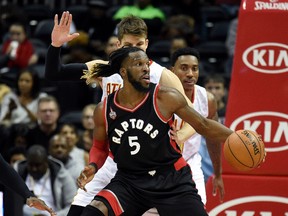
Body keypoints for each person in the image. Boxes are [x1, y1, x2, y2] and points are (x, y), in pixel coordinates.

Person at [45, 12, 197, 215]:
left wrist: (181, 136)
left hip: (154, 169)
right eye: (128, 45)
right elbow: (55, 73)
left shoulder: (162, 75)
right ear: (118, 45)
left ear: (147, 44)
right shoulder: (103, 70)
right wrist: (56, 46)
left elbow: (195, 119)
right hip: (112, 161)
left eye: (139, 44)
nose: (134, 50)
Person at [77, 46, 233, 215]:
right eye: (138, 64)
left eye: (146, 64)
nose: (145, 68)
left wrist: (235, 135)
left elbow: (204, 125)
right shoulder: (104, 109)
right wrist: (93, 165)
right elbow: (99, 147)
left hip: (171, 180)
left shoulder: (165, 97)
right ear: (123, 72)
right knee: (94, 212)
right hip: (130, 181)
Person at [170, 47, 224, 204]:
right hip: (160, 165)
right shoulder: (159, 96)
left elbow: (213, 138)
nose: (190, 74)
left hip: (190, 163)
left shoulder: (207, 100)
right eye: (184, 68)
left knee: (198, 208)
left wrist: (218, 174)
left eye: (195, 68)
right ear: (172, 70)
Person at [13, 145, 77, 216]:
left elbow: (73, 206)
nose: (34, 169)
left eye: (38, 165)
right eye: (31, 165)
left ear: (46, 162)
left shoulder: (62, 175)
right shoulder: (17, 174)